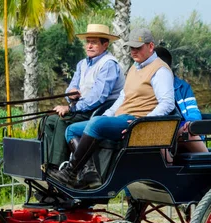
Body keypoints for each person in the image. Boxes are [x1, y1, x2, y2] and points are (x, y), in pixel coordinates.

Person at [51, 28, 175, 188]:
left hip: (135, 121)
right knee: (72, 130)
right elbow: (123, 97)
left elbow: (167, 103)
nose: (133, 51)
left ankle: (70, 172)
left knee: (95, 123)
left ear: (151, 46)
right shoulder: (134, 67)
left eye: (138, 47)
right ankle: (91, 173)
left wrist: (142, 123)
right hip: (121, 118)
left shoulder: (160, 70)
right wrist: (108, 115)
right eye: (131, 48)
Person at [41, 24, 125, 171]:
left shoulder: (109, 64)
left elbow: (98, 97)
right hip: (82, 108)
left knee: (62, 121)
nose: (89, 46)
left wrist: (71, 108)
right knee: (48, 120)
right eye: (88, 42)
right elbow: (71, 87)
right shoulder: (82, 64)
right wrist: (71, 94)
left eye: (94, 42)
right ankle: (46, 162)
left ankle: (58, 167)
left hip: (99, 111)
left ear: (105, 45)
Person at [155, 46, 208, 155]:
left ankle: (206, 162)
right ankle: (169, 169)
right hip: (161, 132)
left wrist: (190, 123)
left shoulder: (182, 87)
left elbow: (193, 111)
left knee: (188, 132)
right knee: (158, 136)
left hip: (180, 131)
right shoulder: (147, 86)